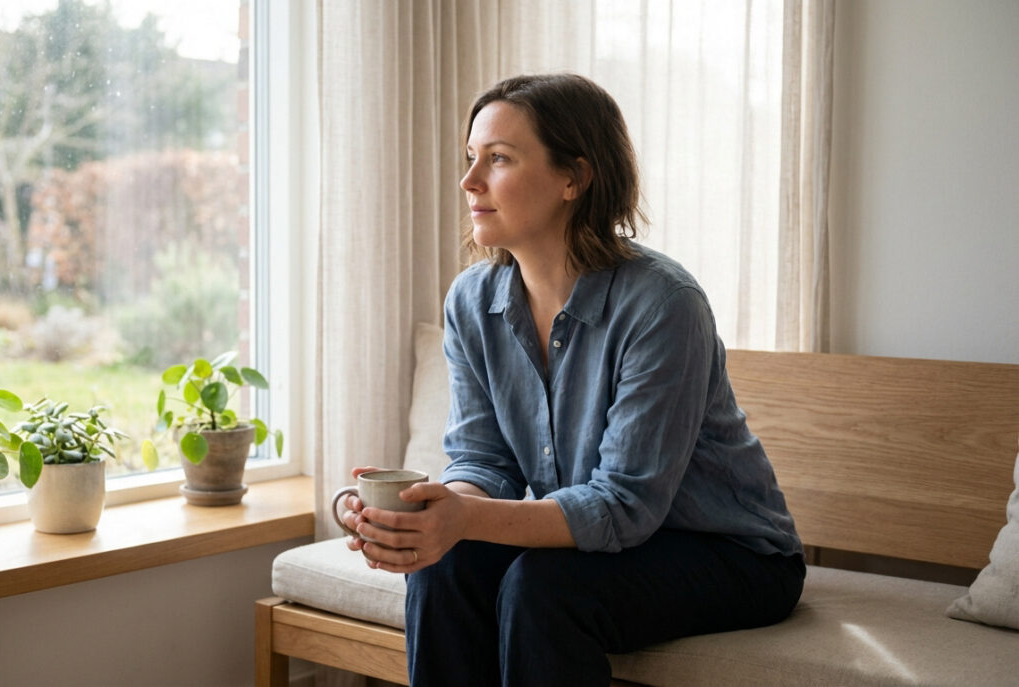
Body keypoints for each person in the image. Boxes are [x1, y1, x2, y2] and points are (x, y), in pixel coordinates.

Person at [339, 73, 804, 686]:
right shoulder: (473, 301)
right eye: (471, 157)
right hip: (616, 543)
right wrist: (429, 518)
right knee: (444, 567)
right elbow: (483, 461)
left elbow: (625, 503)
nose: (469, 181)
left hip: (732, 554)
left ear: (573, 178)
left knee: (542, 589)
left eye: (499, 158)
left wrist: (464, 521)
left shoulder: (663, 303)